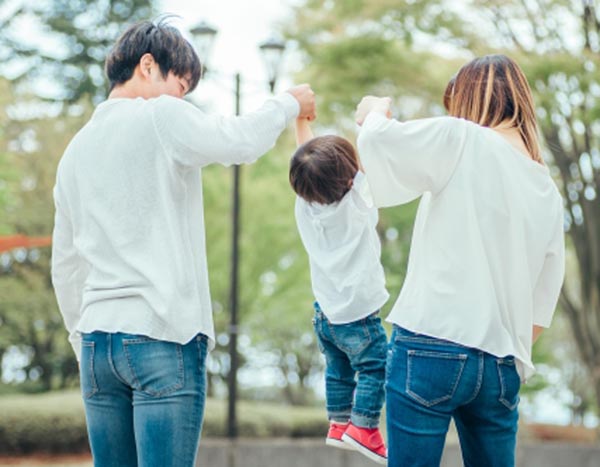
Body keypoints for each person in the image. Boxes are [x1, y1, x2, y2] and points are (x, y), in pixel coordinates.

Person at [51, 19, 315, 467]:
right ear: (147, 65)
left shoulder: (74, 151)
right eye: (180, 86)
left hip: (97, 342)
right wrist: (288, 103)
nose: (181, 99)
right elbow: (239, 140)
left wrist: (83, 339)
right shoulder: (160, 116)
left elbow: (66, 263)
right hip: (160, 333)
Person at [354, 54, 565, 467]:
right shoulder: (547, 190)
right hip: (502, 364)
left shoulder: (462, 137)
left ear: (469, 99)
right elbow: (540, 310)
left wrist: (373, 109)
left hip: (432, 341)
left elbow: (377, 142)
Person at [289, 117, 389, 464]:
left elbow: (307, 157)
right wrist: (375, 116)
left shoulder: (305, 205)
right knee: (376, 366)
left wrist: (300, 120)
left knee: (339, 368)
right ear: (349, 178)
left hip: (325, 313)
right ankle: (364, 427)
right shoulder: (358, 201)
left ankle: (338, 422)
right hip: (359, 315)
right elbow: (367, 156)